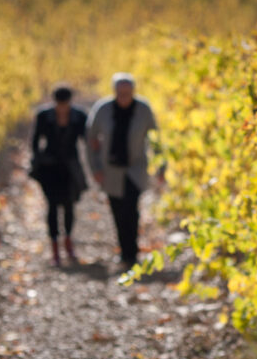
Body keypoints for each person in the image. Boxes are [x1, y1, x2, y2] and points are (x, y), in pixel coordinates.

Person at [86, 73, 160, 268]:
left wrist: (161, 166)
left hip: (135, 169)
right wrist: (95, 168)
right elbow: (91, 139)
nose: (124, 97)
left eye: (127, 93)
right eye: (120, 93)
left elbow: (155, 138)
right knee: (117, 211)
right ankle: (123, 250)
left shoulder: (143, 110)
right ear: (115, 92)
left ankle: (131, 253)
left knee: (131, 210)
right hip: (110, 171)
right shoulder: (103, 110)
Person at [30, 84, 88, 266]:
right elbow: (35, 141)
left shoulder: (79, 116)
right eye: (59, 103)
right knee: (52, 206)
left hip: (70, 168)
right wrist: (39, 160)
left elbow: (86, 139)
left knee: (70, 205)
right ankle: (55, 247)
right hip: (50, 169)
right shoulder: (43, 116)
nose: (62, 107)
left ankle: (68, 241)